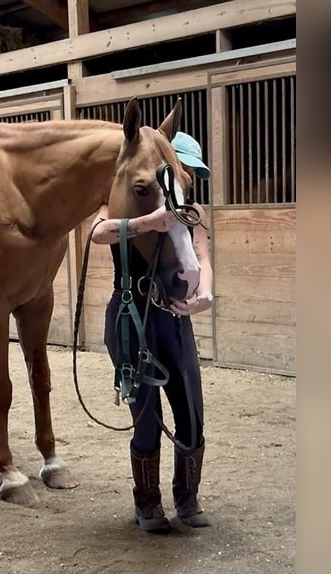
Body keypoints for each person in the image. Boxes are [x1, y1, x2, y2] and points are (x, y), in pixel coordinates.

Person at [90, 131, 214, 534]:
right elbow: (98, 233)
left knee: (191, 412)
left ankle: (187, 498)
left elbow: (204, 257)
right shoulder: (118, 199)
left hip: (175, 318)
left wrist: (205, 295)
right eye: (181, 171)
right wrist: (150, 221)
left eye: (190, 176)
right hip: (131, 317)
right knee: (146, 417)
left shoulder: (193, 212)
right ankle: (147, 505)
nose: (186, 182)